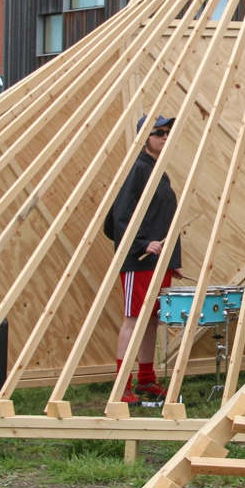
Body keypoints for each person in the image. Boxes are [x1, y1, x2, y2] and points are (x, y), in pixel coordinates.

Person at [109, 114, 182, 404]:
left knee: (151, 320)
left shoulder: (158, 172)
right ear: (145, 138)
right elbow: (120, 215)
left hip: (158, 260)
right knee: (133, 319)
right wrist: (142, 243)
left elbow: (166, 220)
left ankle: (146, 379)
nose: (165, 137)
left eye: (166, 132)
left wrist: (172, 260)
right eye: (158, 133)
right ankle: (121, 386)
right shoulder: (138, 169)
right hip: (139, 259)